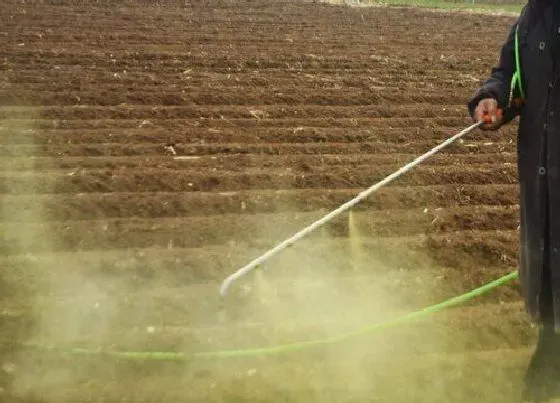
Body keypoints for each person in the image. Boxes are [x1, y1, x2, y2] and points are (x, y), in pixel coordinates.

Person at [468, 0, 560, 401]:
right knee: (549, 275)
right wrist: (494, 97)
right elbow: (512, 74)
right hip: (542, 174)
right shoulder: (534, 15)